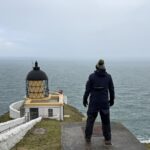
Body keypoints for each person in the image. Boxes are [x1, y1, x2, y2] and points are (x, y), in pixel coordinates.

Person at [83, 59, 115, 145]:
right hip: (104, 102)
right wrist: (111, 100)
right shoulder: (108, 77)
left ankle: (88, 138)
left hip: (94, 102)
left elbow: (87, 90)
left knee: (90, 120)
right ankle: (107, 139)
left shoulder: (91, 77)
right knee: (106, 121)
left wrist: (84, 99)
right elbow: (111, 90)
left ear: (96, 67)